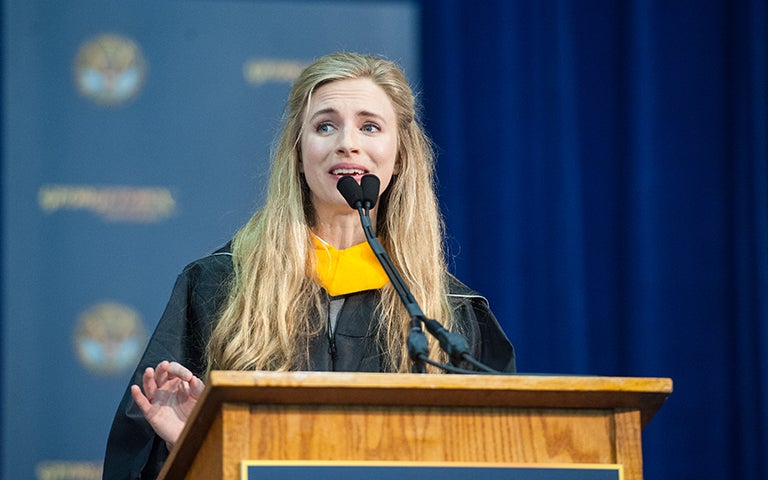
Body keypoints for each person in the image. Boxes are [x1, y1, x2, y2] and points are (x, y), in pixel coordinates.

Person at [102, 52, 515, 480]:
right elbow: (137, 458)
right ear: (298, 154)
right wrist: (191, 444)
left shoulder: (445, 314)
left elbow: (497, 459)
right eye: (325, 126)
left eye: (370, 126)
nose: (347, 143)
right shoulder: (218, 286)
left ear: (401, 155)